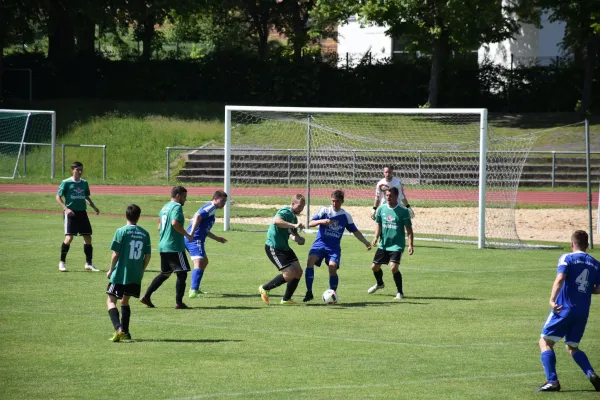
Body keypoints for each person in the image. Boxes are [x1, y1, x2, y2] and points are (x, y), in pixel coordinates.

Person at [536, 230, 600, 392]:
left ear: (572, 243)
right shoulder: (596, 263)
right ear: (587, 245)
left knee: (545, 341)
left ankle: (552, 381)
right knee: (572, 347)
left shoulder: (567, 258)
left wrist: (551, 300)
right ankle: (591, 373)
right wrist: (584, 290)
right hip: (582, 311)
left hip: (564, 308)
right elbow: (598, 289)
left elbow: (560, 278)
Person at [303, 190, 371, 302]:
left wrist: (365, 242)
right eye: (333, 201)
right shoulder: (324, 210)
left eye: (337, 201)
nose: (334, 203)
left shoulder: (345, 216)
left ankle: (332, 293)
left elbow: (355, 231)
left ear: (342, 201)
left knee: (332, 267)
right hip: (320, 244)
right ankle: (309, 292)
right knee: (310, 261)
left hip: (333, 248)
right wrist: (321, 221)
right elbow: (310, 223)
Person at [141, 186, 194, 309]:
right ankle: (179, 303)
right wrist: (187, 235)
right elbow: (174, 223)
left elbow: (159, 227)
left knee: (165, 273)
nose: (185, 200)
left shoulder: (164, 208)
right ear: (177, 196)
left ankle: (146, 296)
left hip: (163, 245)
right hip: (174, 246)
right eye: (184, 197)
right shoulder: (177, 207)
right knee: (182, 274)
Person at [105, 204, 151, 342]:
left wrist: (110, 270)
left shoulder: (121, 231)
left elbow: (115, 254)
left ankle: (119, 328)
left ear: (126, 215)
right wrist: (141, 270)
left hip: (120, 274)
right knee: (124, 301)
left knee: (110, 300)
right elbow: (147, 256)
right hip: (135, 275)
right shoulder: (145, 233)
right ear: (139, 217)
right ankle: (126, 332)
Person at [259, 194, 306, 305]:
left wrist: (299, 239)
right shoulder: (286, 211)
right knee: (289, 274)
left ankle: (286, 299)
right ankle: (265, 288)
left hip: (284, 247)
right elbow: (277, 221)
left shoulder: (294, 217)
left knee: (298, 272)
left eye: (303, 206)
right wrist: (294, 225)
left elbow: (292, 235)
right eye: (299, 206)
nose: (301, 209)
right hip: (274, 247)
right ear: (293, 204)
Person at [368, 187, 414, 299]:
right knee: (374, 267)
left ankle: (400, 292)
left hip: (397, 246)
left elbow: (409, 230)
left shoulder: (403, 211)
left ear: (397, 196)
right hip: (384, 244)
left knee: (393, 268)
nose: (388, 197)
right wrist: (375, 237)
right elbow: (379, 224)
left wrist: (410, 245)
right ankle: (380, 283)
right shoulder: (381, 209)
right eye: (387, 195)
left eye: (391, 195)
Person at [55, 161, 100, 272]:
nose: (80, 172)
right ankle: (62, 262)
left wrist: (94, 207)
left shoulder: (84, 183)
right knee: (69, 237)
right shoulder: (66, 183)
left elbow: (86, 197)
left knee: (88, 237)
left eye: (81, 170)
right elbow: (58, 197)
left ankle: (89, 263)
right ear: (72, 170)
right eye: (77, 169)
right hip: (71, 213)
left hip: (82, 213)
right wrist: (66, 209)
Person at [185, 190, 228, 299]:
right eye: (222, 201)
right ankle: (193, 291)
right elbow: (198, 217)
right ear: (215, 199)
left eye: (225, 201)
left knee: (204, 262)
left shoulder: (210, 208)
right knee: (199, 262)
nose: (223, 203)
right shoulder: (211, 207)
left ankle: (196, 288)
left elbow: (204, 229)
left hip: (197, 239)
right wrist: (192, 233)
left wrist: (217, 238)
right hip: (194, 240)